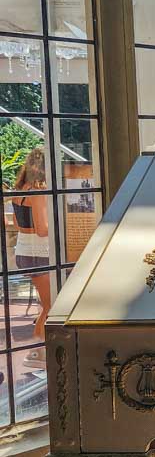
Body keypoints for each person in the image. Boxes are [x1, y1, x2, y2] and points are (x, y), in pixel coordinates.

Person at [11, 147, 50, 364]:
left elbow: (18, 224)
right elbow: (42, 230)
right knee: (51, 306)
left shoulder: (20, 190)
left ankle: (38, 351)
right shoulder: (38, 190)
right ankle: (37, 352)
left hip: (24, 252)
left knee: (47, 305)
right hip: (40, 254)